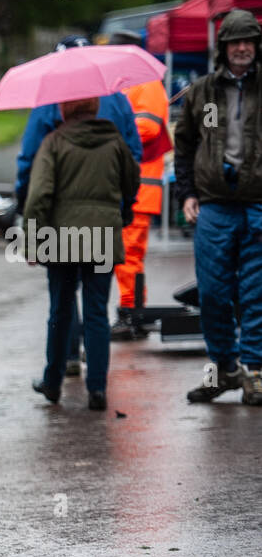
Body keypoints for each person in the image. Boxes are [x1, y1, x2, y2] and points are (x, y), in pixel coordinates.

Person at [16, 35, 143, 371]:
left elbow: (29, 162)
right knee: (98, 306)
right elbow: (134, 157)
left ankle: (64, 364)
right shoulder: (117, 97)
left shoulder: (50, 102)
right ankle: (97, 386)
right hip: (105, 220)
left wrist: (25, 214)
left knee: (62, 299)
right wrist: (123, 207)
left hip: (59, 223)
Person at [25, 97, 139, 410]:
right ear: (93, 108)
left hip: (61, 238)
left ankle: (52, 382)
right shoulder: (115, 141)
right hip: (102, 235)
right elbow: (132, 182)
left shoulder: (54, 142)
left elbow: (39, 195)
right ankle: (97, 388)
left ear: (64, 109)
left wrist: (33, 240)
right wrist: (123, 215)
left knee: (60, 310)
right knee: (96, 312)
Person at [176, 9, 262, 406]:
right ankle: (223, 370)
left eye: (249, 41)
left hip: (258, 203)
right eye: (235, 41)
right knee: (211, 293)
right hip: (213, 205)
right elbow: (185, 144)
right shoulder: (201, 92)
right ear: (223, 47)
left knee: (257, 294)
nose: (242, 48)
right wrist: (187, 193)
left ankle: (256, 373)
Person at [107, 30, 173, 340]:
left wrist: (109, 132)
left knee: (128, 254)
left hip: (139, 187)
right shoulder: (134, 85)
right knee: (128, 254)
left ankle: (131, 314)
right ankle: (134, 312)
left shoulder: (144, 85)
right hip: (135, 186)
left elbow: (147, 127)